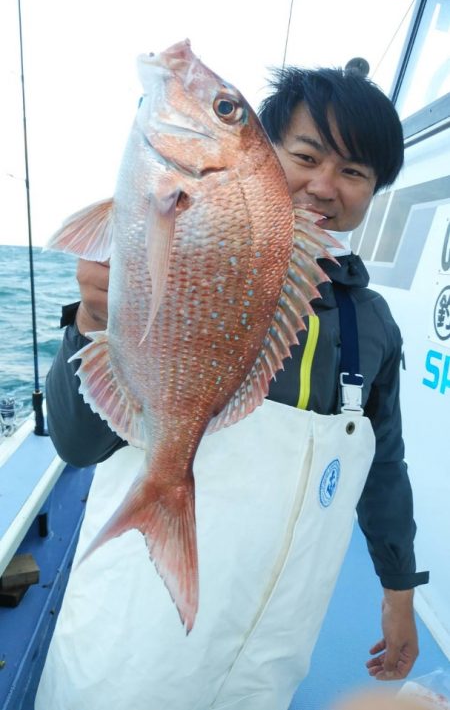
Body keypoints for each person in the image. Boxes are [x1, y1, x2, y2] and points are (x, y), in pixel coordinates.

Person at [36, 66, 428, 710]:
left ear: (375, 190)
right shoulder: (179, 249)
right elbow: (77, 447)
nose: (325, 185)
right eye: (305, 156)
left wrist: (399, 594)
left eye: (355, 173)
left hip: (270, 649)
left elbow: (384, 468)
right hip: (135, 638)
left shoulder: (373, 326)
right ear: (265, 157)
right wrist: (93, 320)